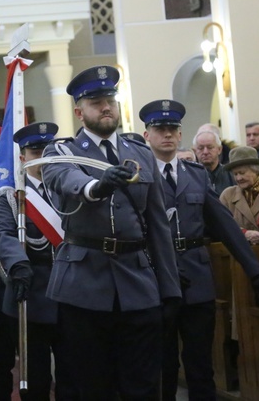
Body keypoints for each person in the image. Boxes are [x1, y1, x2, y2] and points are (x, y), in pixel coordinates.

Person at [40, 65, 181, 400]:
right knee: (92, 383)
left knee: (143, 382)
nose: (106, 107)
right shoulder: (60, 152)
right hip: (85, 285)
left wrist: (170, 289)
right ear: (79, 111)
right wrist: (96, 186)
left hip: (137, 283)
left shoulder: (140, 152)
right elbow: (68, 181)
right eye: (96, 102)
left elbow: (158, 225)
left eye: (110, 100)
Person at [139, 99, 259, 401]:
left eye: (173, 129)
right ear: (147, 136)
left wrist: (255, 270)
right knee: (162, 364)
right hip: (158, 280)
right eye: (160, 129)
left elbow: (223, 224)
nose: (167, 135)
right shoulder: (140, 175)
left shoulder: (195, 173)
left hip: (197, 278)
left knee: (200, 364)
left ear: (180, 135)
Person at [0, 122, 76, 400]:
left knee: (74, 375)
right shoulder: (12, 196)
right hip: (31, 294)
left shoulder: (70, 186)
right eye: (35, 150)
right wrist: (17, 263)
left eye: (47, 149)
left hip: (73, 292)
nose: (42, 154)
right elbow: (2, 234)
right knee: (36, 379)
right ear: (22, 157)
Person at [219, 146, 259, 245]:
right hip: (241, 257)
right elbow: (220, 225)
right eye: (235, 174)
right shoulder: (228, 195)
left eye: (242, 173)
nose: (238, 178)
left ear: (256, 170)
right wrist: (244, 233)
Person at [193, 127, 235, 195]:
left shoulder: (231, 175)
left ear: (219, 149)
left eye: (210, 147)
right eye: (200, 148)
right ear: (195, 151)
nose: (205, 152)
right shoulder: (190, 177)